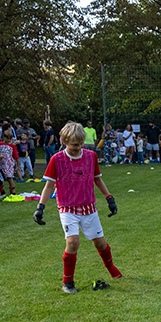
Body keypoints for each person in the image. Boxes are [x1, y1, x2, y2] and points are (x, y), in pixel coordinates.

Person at [34, 122, 121, 293]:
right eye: (74, 144)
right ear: (65, 141)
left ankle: (111, 267)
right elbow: (49, 186)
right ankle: (68, 282)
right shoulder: (56, 160)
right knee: (72, 242)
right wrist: (40, 207)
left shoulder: (90, 156)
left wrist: (109, 198)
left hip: (89, 207)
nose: (78, 147)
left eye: (81, 144)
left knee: (101, 244)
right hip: (67, 208)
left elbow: (97, 179)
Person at [0, 126, 18, 195]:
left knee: (10, 178)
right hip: (0, 164)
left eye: (10, 139)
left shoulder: (12, 146)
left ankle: (13, 192)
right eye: (7, 138)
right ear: (4, 137)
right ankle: (2, 192)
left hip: (9, 164)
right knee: (0, 179)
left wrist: (18, 165)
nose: (9, 140)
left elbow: (16, 156)